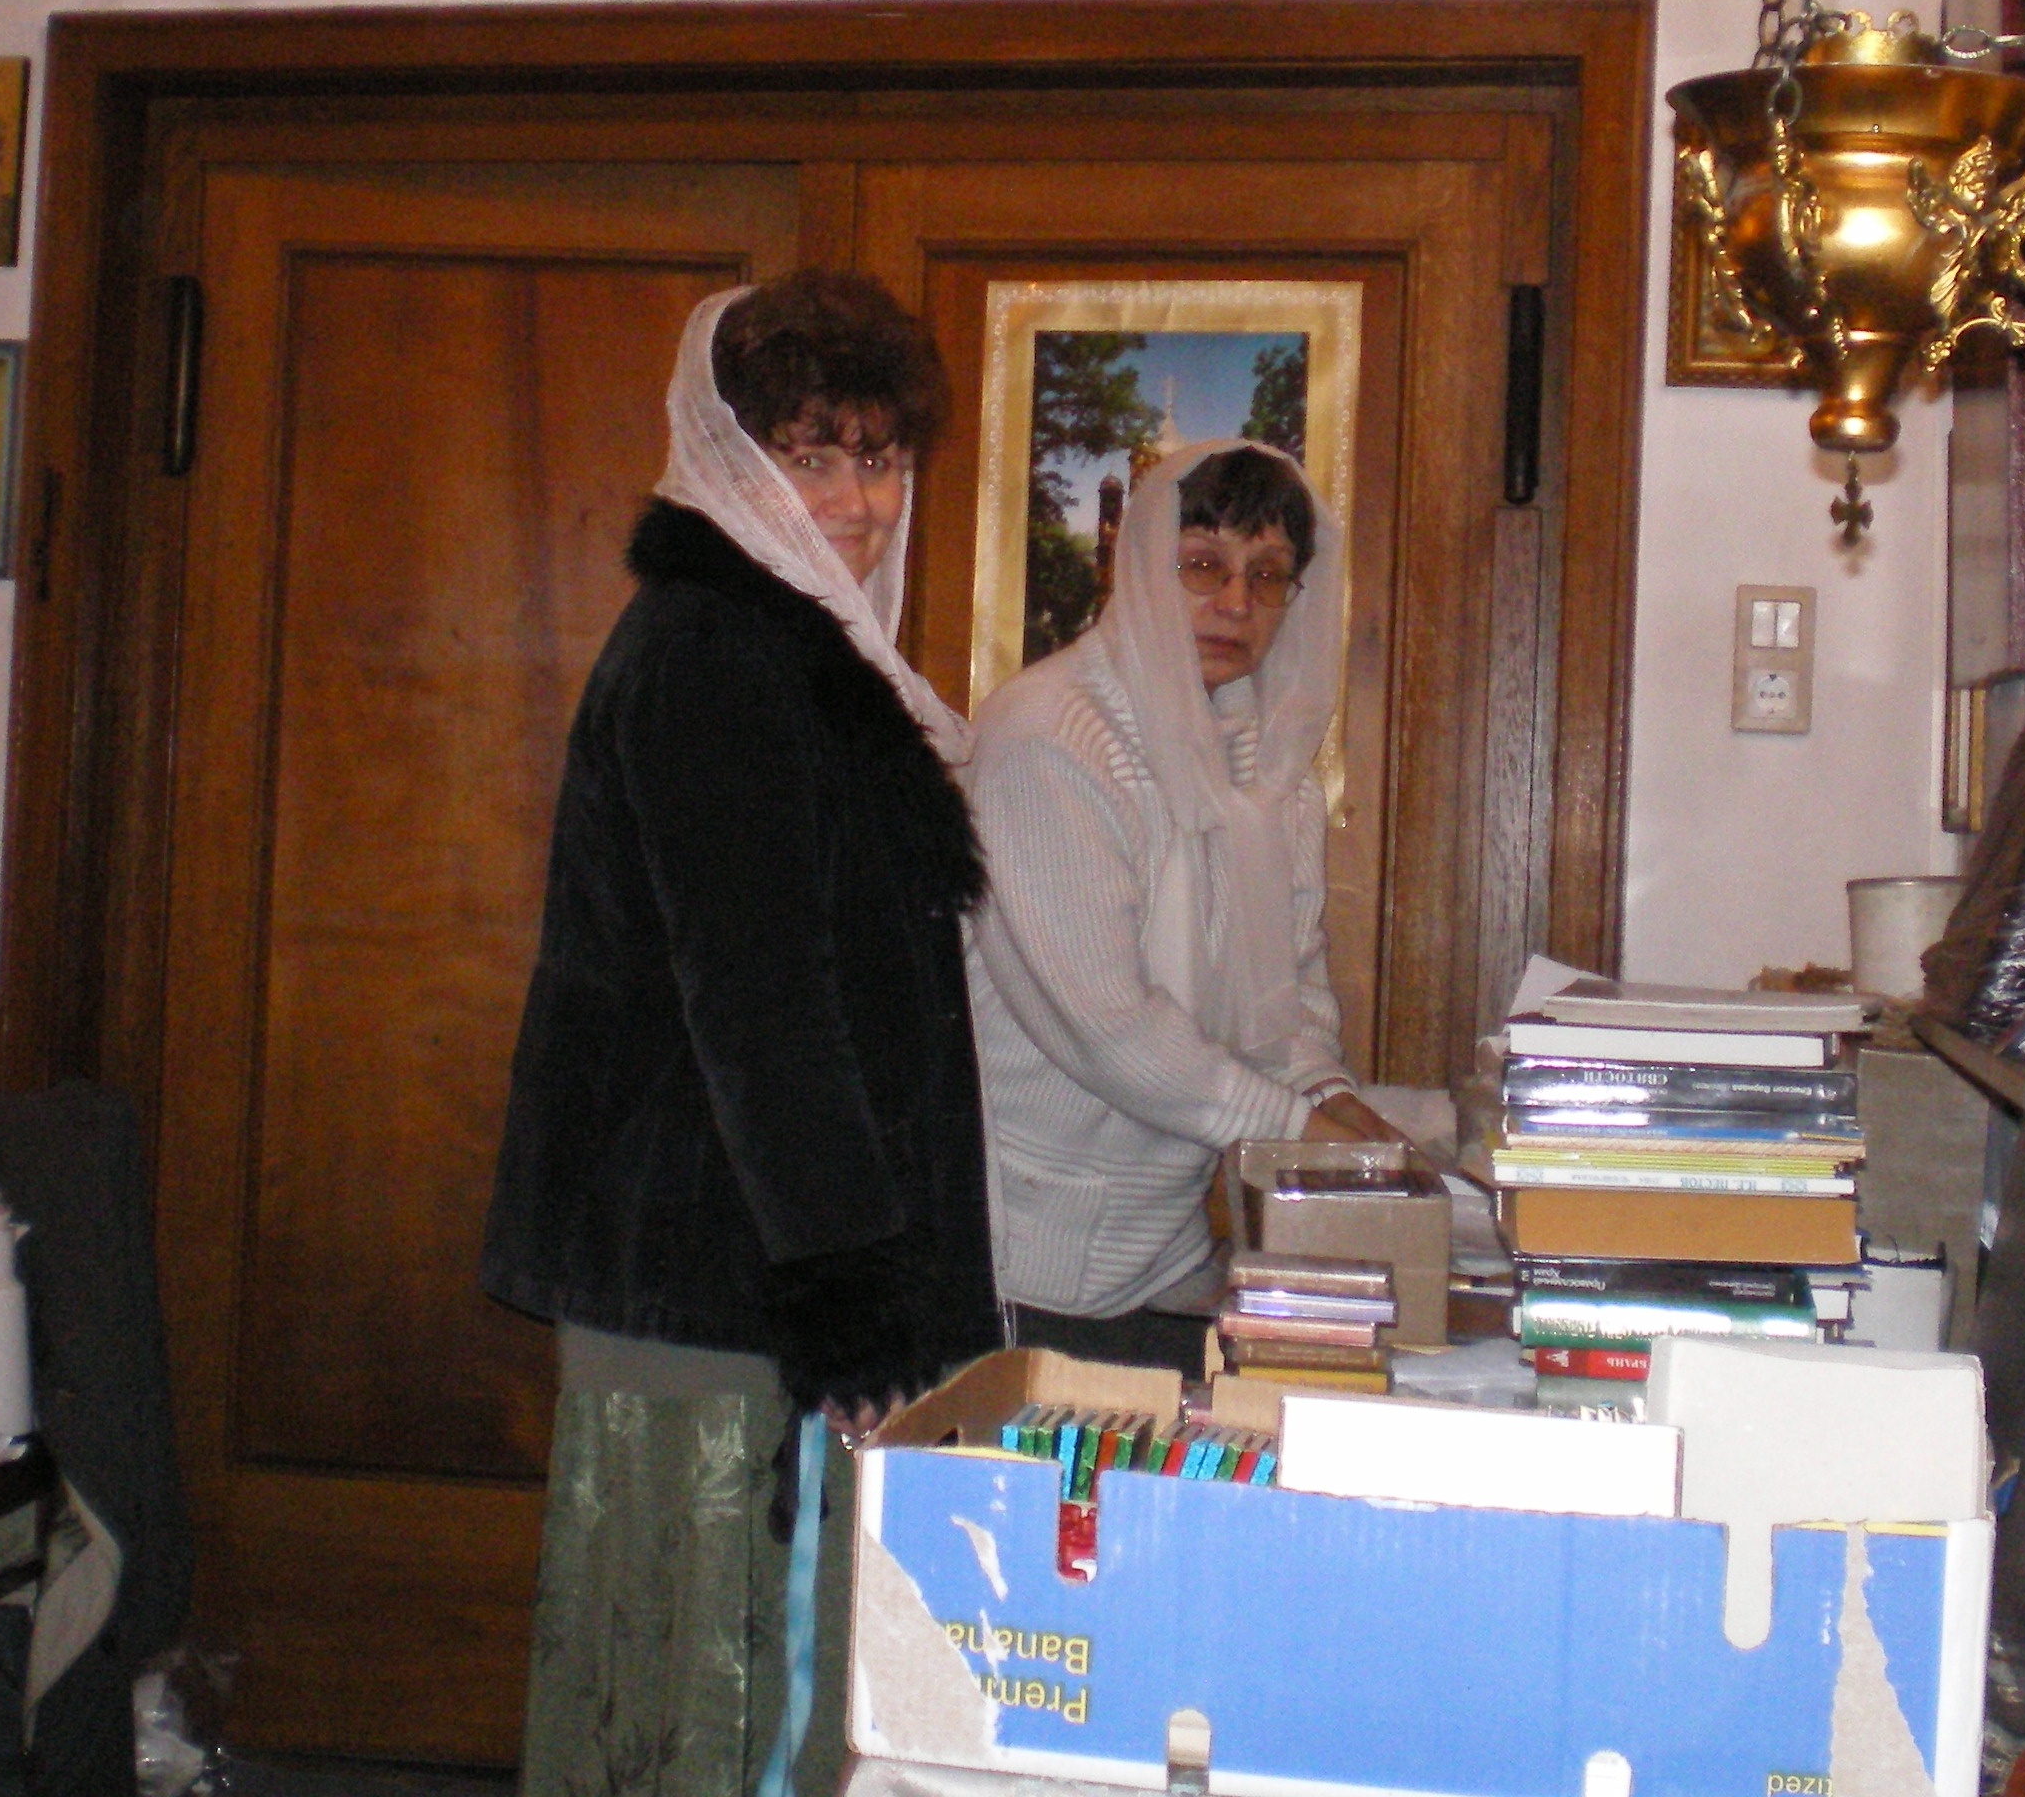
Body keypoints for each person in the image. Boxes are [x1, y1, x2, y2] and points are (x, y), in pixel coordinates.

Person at [482, 271, 998, 1797]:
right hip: (718, 1283)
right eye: (811, 455)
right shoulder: (716, 655)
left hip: (760, 1265)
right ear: (730, 462)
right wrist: (852, 1302)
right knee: (698, 1703)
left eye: (880, 456)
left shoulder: (803, 657)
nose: (857, 499)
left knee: (768, 1694)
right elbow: (759, 1005)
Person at [967, 438, 1396, 1377]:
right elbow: (1108, 1031)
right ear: (1142, 570)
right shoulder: (1049, 738)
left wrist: (1337, 1105)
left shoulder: (1267, 767)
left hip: (1167, 1262)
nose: (1236, 602)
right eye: (1203, 565)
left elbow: (1288, 996)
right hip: (1018, 1267)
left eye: (1268, 574)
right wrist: (1299, 1130)